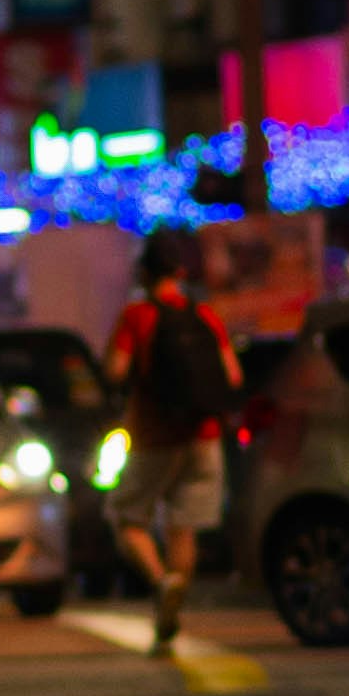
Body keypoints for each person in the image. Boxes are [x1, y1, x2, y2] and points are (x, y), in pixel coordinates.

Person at [105, 227, 241, 657]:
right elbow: (232, 376)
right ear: (180, 271)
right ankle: (173, 600)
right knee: (183, 527)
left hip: (155, 434)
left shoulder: (137, 316)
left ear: (144, 272)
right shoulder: (204, 315)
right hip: (204, 435)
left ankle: (161, 581)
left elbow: (115, 370)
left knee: (127, 517)